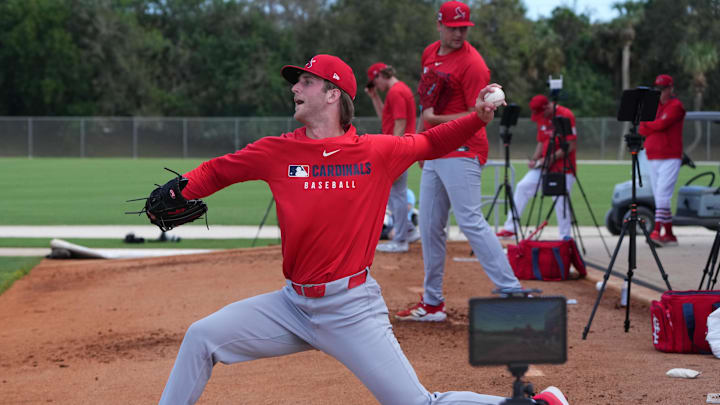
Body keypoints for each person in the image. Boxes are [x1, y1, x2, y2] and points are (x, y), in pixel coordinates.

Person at [154, 53, 569, 405]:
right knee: (201, 338)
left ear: (333, 94)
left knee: (416, 403)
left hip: (350, 309)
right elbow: (220, 170)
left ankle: (533, 404)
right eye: (296, 82)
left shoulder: (376, 152)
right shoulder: (277, 151)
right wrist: (181, 190)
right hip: (292, 306)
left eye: (305, 81)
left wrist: (476, 117)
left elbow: (432, 142)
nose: (295, 88)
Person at [396, 0, 523, 323]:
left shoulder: (473, 64)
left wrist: (434, 120)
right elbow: (428, 100)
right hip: (435, 148)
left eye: (463, 27)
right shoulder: (430, 54)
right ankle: (433, 303)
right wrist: (426, 140)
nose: (459, 32)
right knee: (429, 226)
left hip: (464, 147)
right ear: (439, 25)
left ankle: (511, 290)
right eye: (453, 27)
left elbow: (478, 115)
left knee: (469, 221)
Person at [495, 94, 578, 241]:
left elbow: (570, 145)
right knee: (522, 186)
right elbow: (541, 141)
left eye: (540, 113)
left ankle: (565, 236)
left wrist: (550, 159)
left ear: (547, 107)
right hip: (543, 165)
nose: (539, 117)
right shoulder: (542, 118)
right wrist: (534, 160)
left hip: (562, 167)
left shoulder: (566, 115)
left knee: (560, 200)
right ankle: (510, 228)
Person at [365, 62, 421, 252]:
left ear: (381, 75)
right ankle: (409, 231)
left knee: (395, 194)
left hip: (401, 147)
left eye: (375, 81)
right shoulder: (398, 90)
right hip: (405, 146)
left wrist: (393, 152)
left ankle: (400, 240)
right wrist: (374, 98)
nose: (376, 86)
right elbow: (387, 118)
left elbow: (400, 123)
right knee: (395, 193)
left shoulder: (396, 92)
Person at [639, 74, 686, 247]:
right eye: (658, 89)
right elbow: (642, 129)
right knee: (659, 195)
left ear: (670, 89)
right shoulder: (652, 106)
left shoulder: (676, 106)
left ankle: (657, 230)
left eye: (663, 89)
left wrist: (652, 124)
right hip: (652, 155)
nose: (660, 93)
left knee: (662, 195)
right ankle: (670, 234)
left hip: (670, 155)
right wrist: (653, 124)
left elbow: (660, 125)